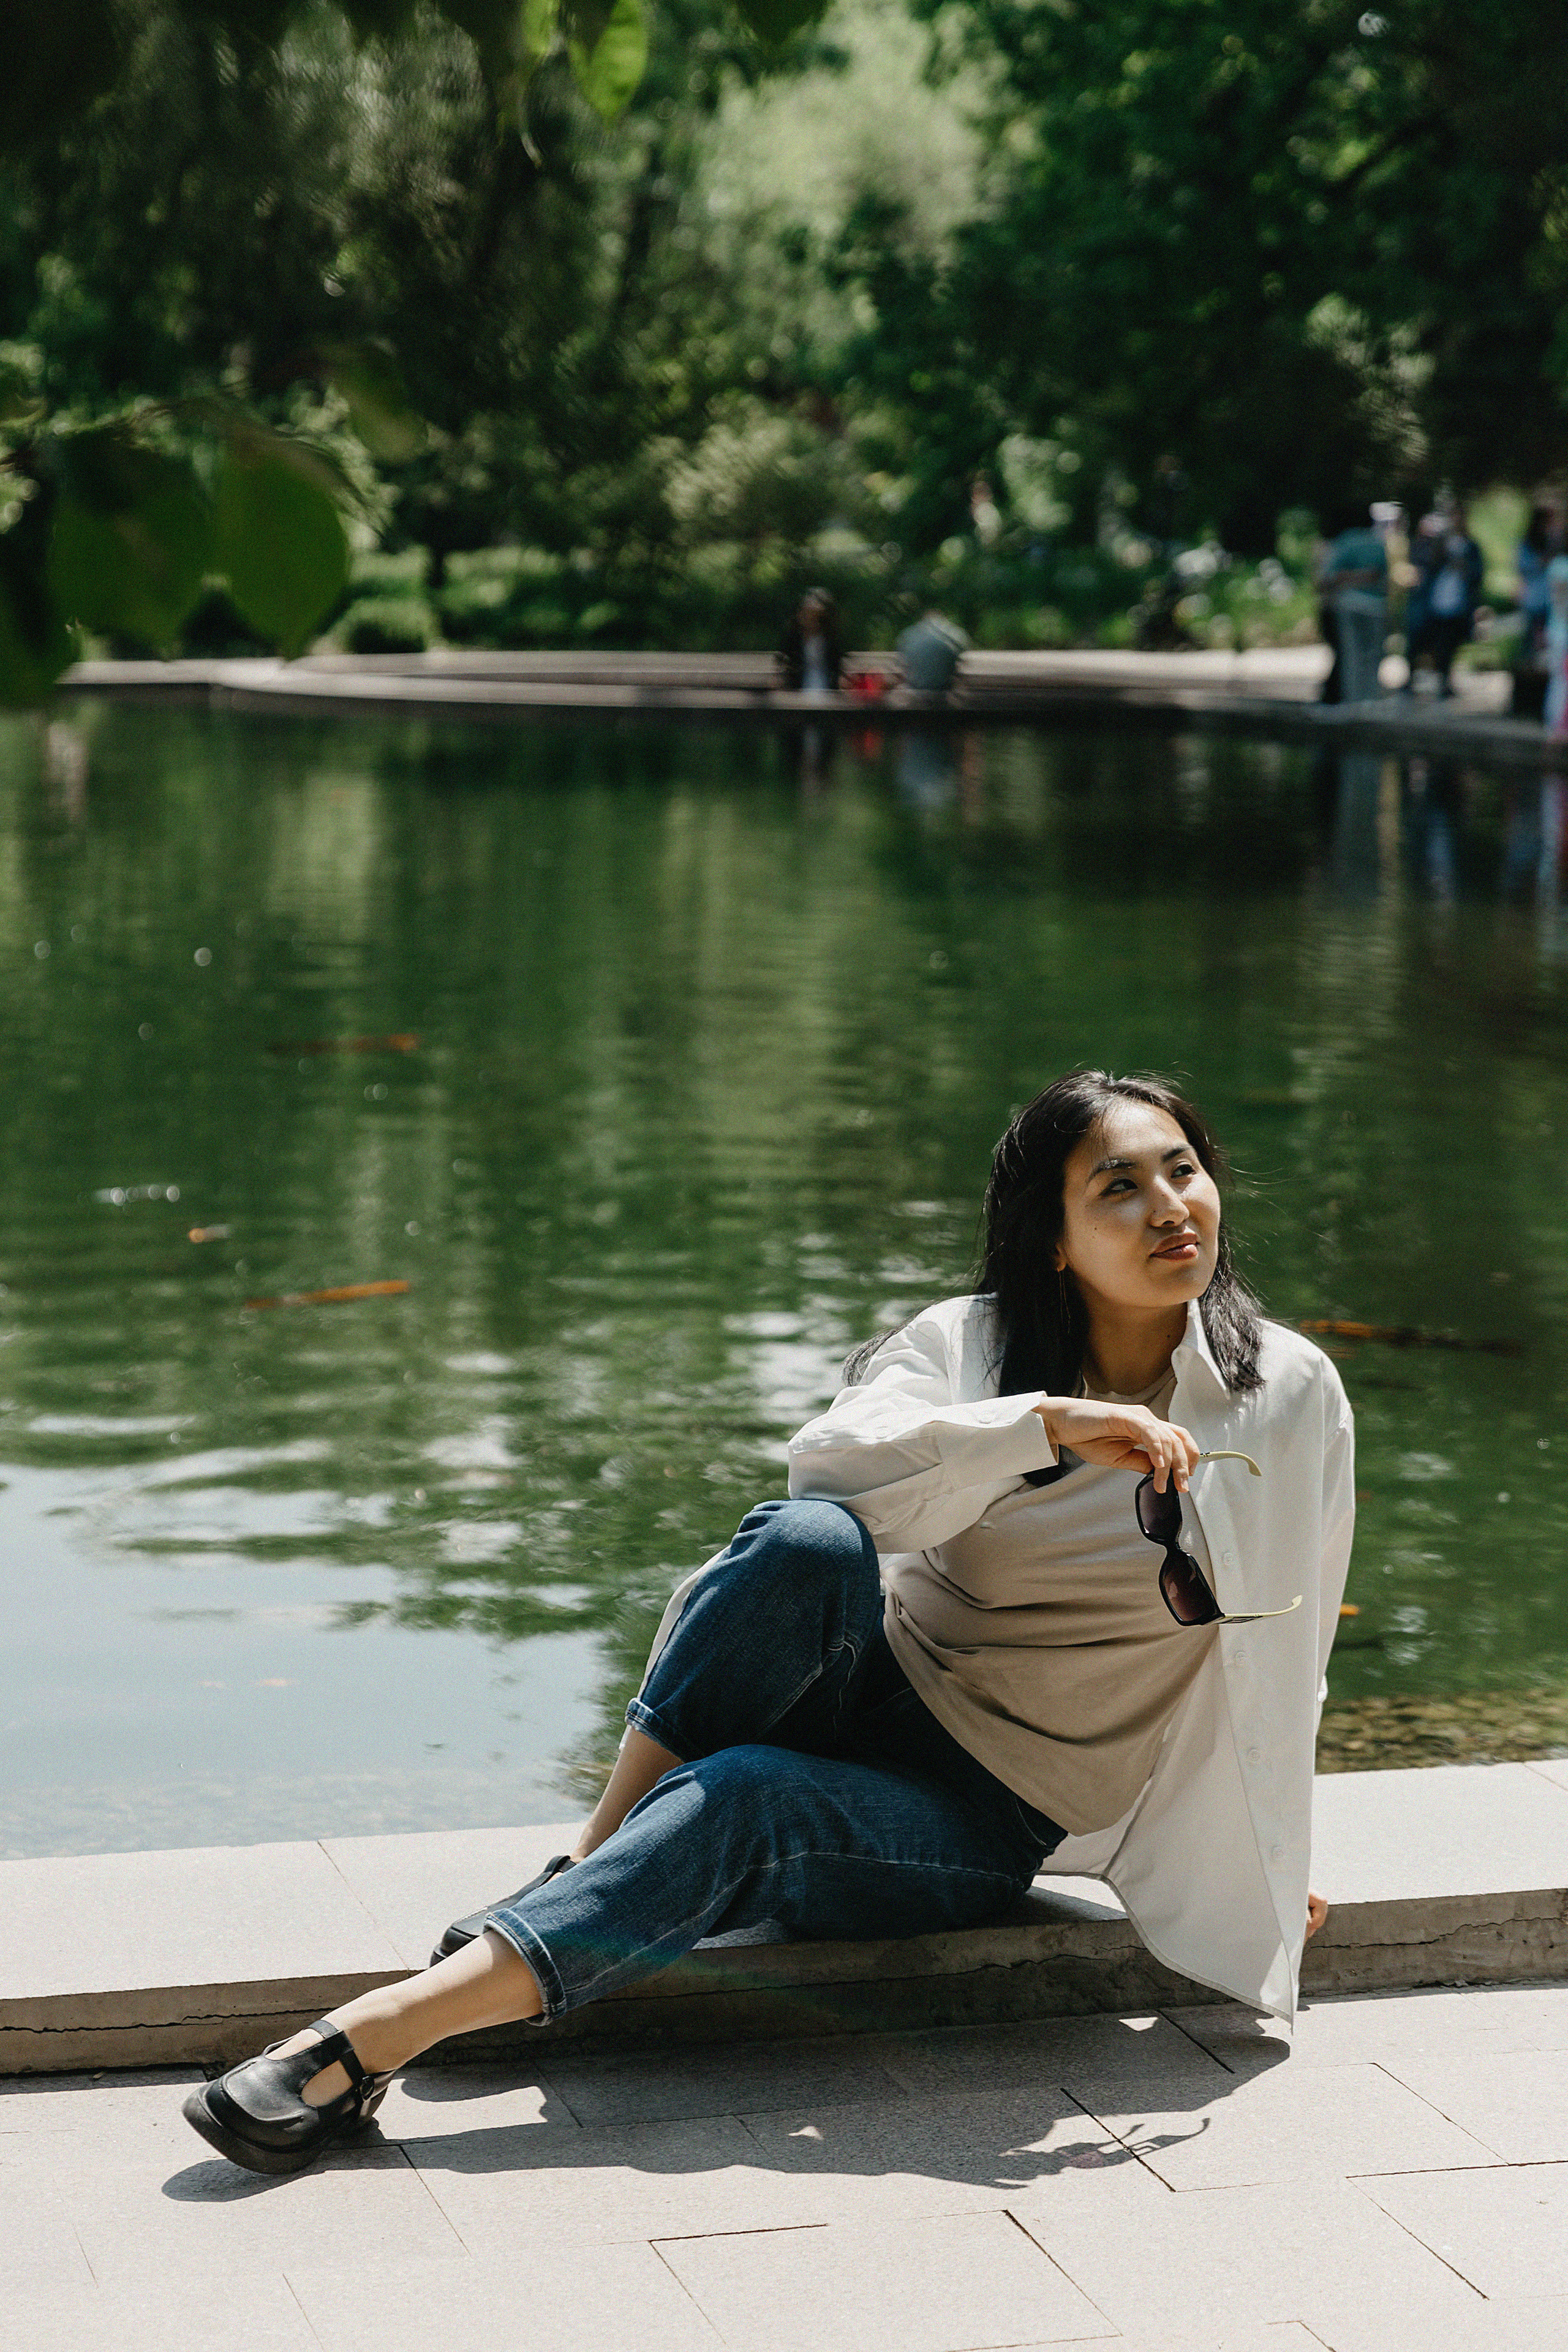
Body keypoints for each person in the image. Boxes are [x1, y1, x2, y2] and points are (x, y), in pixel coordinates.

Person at [183, 1070, 1353, 2179]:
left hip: (991, 1803)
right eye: (1120, 1187)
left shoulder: (1284, 1393)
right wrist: (1036, 1426)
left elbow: (1290, 1647)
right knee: (806, 1545)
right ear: (1053, 1236)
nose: (1170, 1208)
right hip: (879, 1686)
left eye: (1184, 1170)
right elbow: (828, 1472)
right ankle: (584, 1878)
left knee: (746, 1795)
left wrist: (1273, 1842)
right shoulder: (974, 1347)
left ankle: (360, 2044)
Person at [1404, 509, 1483, 698]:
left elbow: (1477, 575)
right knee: (1424, 641)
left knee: (1450, 643)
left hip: (1458, 604)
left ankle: (1444, 681)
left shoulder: (1471, 547)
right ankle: (1412, 680)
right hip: (1435, 603)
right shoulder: (1438, 545)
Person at [1316, 504, 1388, 703]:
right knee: (1373, 656)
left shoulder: (1344, 542)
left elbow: (1326, 578)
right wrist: (1365, 576)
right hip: (1375, 605)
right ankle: (1370, 699)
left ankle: (1352, 701)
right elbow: (1380, 575)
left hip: (1348, 604)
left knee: (1352, 655)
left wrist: (1348, 578)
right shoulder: (1377, 543)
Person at [778, 588, 843, 693]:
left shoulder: (830, 640)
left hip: (827, 689)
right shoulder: (793, 639)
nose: (808, 620)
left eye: (814, 617)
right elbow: (785, 667)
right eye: (805, 614)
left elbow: (837, 669)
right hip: (798, 690)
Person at [895, 608, 968, 696]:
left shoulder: (908, 634)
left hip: (916, 686)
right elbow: (960, 658)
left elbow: (902, 663)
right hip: (943, 687)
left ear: (924, 619)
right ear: (943, 618)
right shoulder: (955, 633)